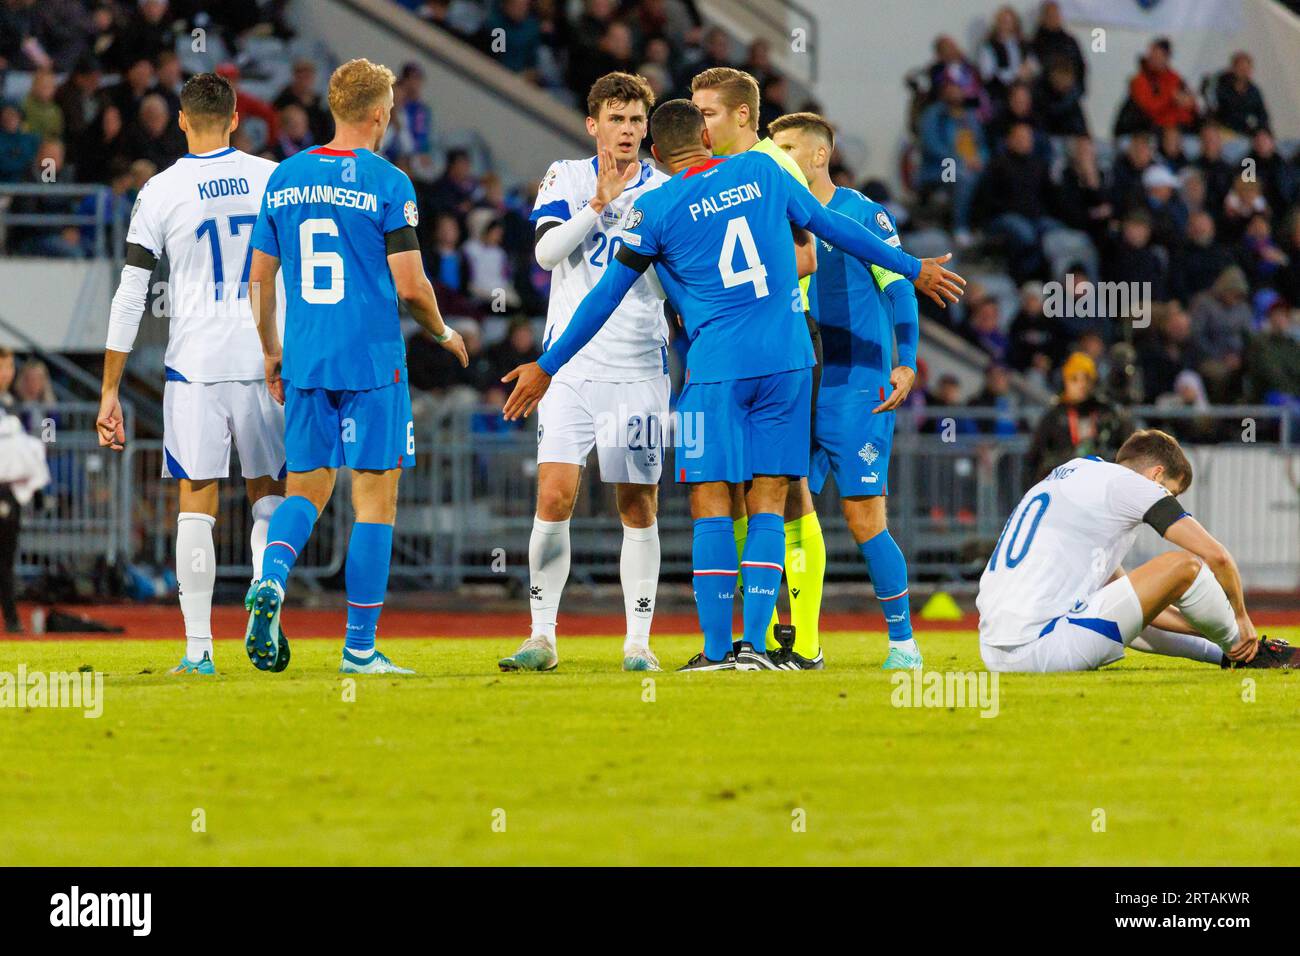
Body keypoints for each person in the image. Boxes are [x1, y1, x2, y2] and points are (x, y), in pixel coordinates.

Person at [501, 98, 964, 671]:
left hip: (716, 369)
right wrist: (912, 267)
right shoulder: (763, 171)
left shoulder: (657, 206)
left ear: (655, 152)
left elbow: (603, 299)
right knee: (771, 499)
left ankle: (719, 650)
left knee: (713, 503)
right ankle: (761, 649)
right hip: (789, 361)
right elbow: (833, 230)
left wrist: (548, 364)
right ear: (705, 134)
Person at [245, 58, 468, 675]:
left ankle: (273, 576)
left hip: (307, 357)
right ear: (378, 114)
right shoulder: (388, 181)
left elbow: (259, 281)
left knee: (308, 489)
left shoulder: (284, 178)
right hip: (372, 362)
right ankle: (359, 650)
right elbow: (412, 285)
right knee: (375, 503)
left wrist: (271, 350)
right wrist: (443, 332)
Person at [96, 73, 288, 676]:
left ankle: (200, 651)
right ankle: (268, 595)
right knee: (269, 495)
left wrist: (109, 388)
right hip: (265, 360)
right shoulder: (270, 178)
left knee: (196, 506)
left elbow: (132, 293)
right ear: (236, 120)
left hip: (195, 366)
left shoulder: (159, 189)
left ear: (181, 121)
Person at [496, 72, 670, 674]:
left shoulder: (665, 188)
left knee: (637, 504)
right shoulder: (565, 176)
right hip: (568, 365)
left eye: (636, 120)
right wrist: (597, 203)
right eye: (615, 119)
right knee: (553, 495)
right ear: (593, 124)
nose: (626, 131)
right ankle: (541, 636)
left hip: (639, 365)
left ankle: (638, 643)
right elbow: (546, 255)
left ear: (648, 128)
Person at [769, 112, 923, 670]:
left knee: (864, 519)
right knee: (785, 513)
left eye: (787, 147)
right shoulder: (775, 217)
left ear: (817, 155)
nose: (777, 155)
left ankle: (903, 644)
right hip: (796, 382)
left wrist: (907, 364)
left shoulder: (862, 214)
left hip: (857, 385)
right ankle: (794, 640)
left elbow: (902, 292)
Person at [690, 66, 821, 660]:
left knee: (784, 494)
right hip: (747, 346)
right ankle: (755, 641)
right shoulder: (720, 171)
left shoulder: (770, 163)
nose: (700, 126)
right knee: (745, 492)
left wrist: (729, 291)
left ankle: (790, 640)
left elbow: (808, 254)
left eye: (709, 113)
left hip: (777, 341)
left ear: (742, 115)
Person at [978, 429, 1297, 672]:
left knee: (1137, 612)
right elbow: (1217, 557)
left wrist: (1208, 627)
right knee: (1186, 567)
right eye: (1171, 492)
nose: (1169, 499)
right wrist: (1240, 618)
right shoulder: (1132, 486)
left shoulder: (1077, 474)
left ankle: (1231, 653)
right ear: (1156, 475)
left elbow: (1133, 602)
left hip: (995, 649)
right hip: (1042, 645)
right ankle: (1248, 652)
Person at [1027, 351, 1131, 480]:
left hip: (1102, 483)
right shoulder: (1055, 415)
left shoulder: (1107, 411)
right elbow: (1033, 458)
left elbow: (1128, 448)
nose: (1081, 384)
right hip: (1064, 485)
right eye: (1074, 378)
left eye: (1086, 378)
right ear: (1065, 381)